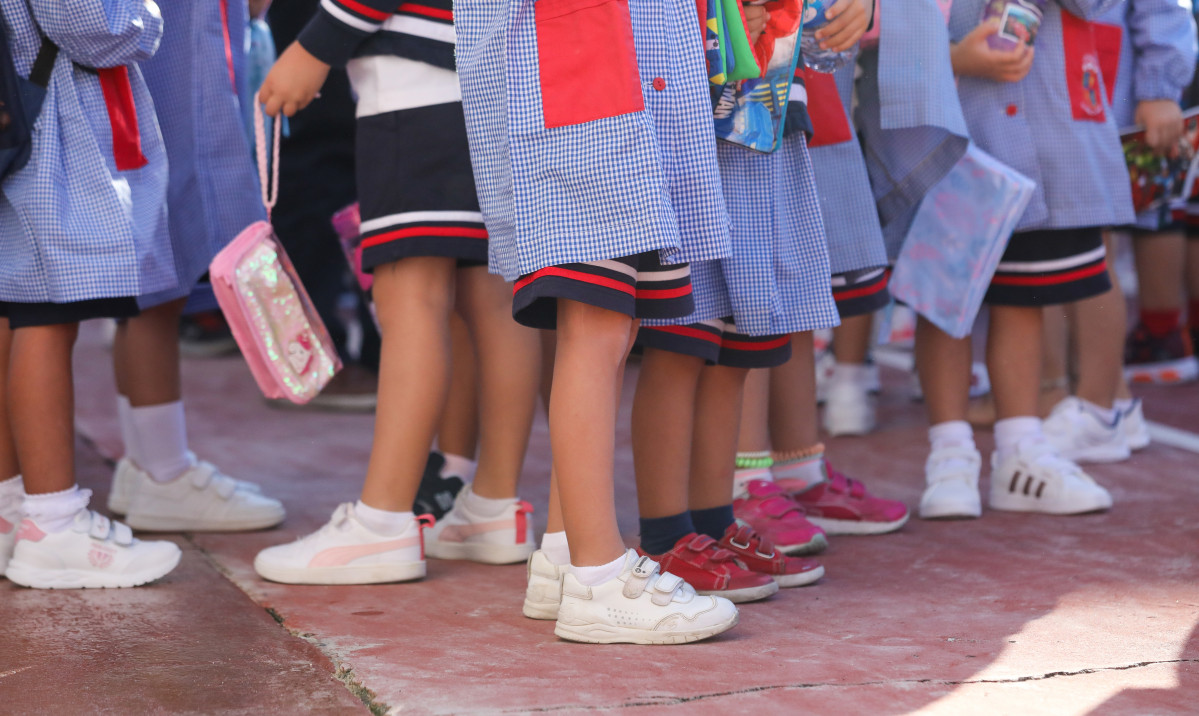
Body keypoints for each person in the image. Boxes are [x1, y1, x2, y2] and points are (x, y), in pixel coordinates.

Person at [455, 0, 743, 643]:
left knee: (613, 324)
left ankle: (564, 554)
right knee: (597, 321)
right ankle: (597, 575)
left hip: (628, 63)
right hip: (580, 53)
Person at [251, 0, 543, 585]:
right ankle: (493, 507)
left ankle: (381, 524)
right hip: (499, 71)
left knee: (410, 295)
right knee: (493, 290)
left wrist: (314, 47)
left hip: (418, 84)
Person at [622, 3, 840, 602]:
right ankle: (665, 536)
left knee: (738, 341)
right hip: (690, 114)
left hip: (766, 110)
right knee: (684, 337)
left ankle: (713, 522)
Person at [920, 0, 1133, 518]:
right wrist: (950, 59)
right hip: (944, 128)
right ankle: (949, 454)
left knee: (1024, 292)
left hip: (1046, 129)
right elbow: (881, 29)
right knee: (945, 295)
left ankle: (1020, 450)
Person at [0, 0, 181, 588]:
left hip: (17, 105)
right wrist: (146, 16)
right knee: (46, 313)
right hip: (48, 127)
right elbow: (88, 25)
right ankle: (53, 523)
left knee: (11, 305)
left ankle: (10, 508)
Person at [106, 0, 287, 532]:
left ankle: (145, 461)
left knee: (155, 264)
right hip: (164, 50)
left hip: (160, 49)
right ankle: (164, 471)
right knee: (163, 257)